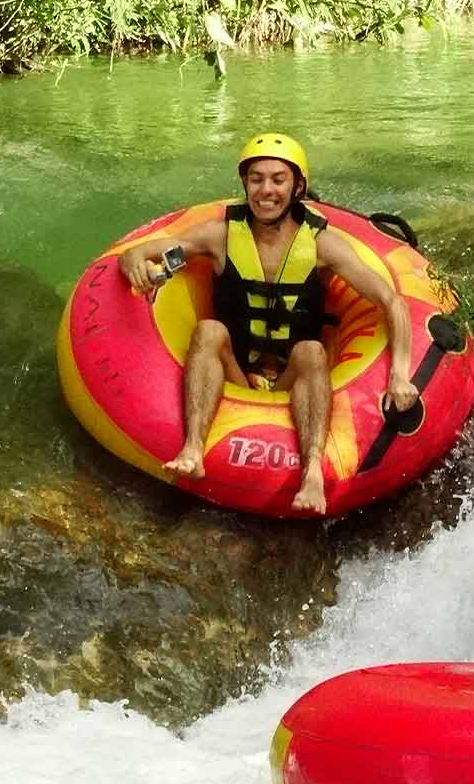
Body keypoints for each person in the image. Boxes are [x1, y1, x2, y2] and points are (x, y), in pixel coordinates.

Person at [118, 134, 420, 515]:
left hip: (295, 374)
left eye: (278, 179)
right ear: (244, 184)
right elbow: (139, 251)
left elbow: (391, 300)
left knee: (311, 350)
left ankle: (312, 474)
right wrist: (136, 266)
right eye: (256, 179)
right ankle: (194, 448)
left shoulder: (323, 244)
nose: (266, 190)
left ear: (298, 186)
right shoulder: (220, 235)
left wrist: (400, 374)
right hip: (236, 371)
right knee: (209, 331)